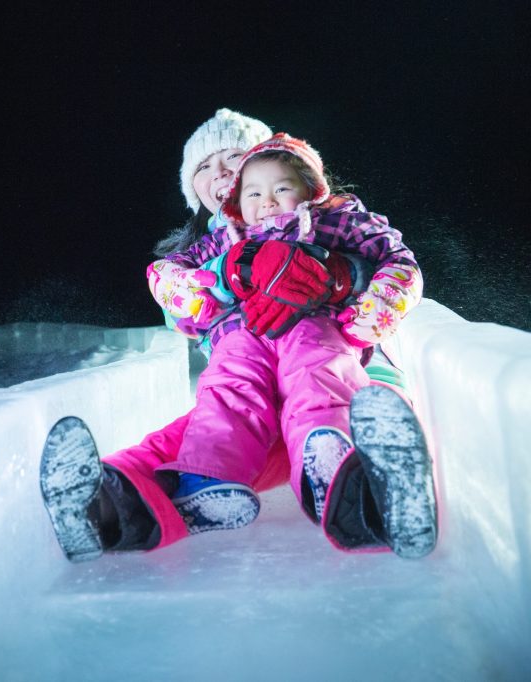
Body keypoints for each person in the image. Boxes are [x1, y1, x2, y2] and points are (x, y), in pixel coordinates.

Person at [39, 110, 436, 562]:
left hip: (346, 377)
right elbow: (177, 299)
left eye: (232, 157)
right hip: (254, 393)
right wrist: (229, 272)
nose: (220, 172)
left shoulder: (332, 223)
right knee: (206, 426)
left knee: (326, 394)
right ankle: (109, 506)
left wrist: (341, 276)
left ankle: (365, 491)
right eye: (204, 168)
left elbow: (392, 260)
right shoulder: (215, 246)